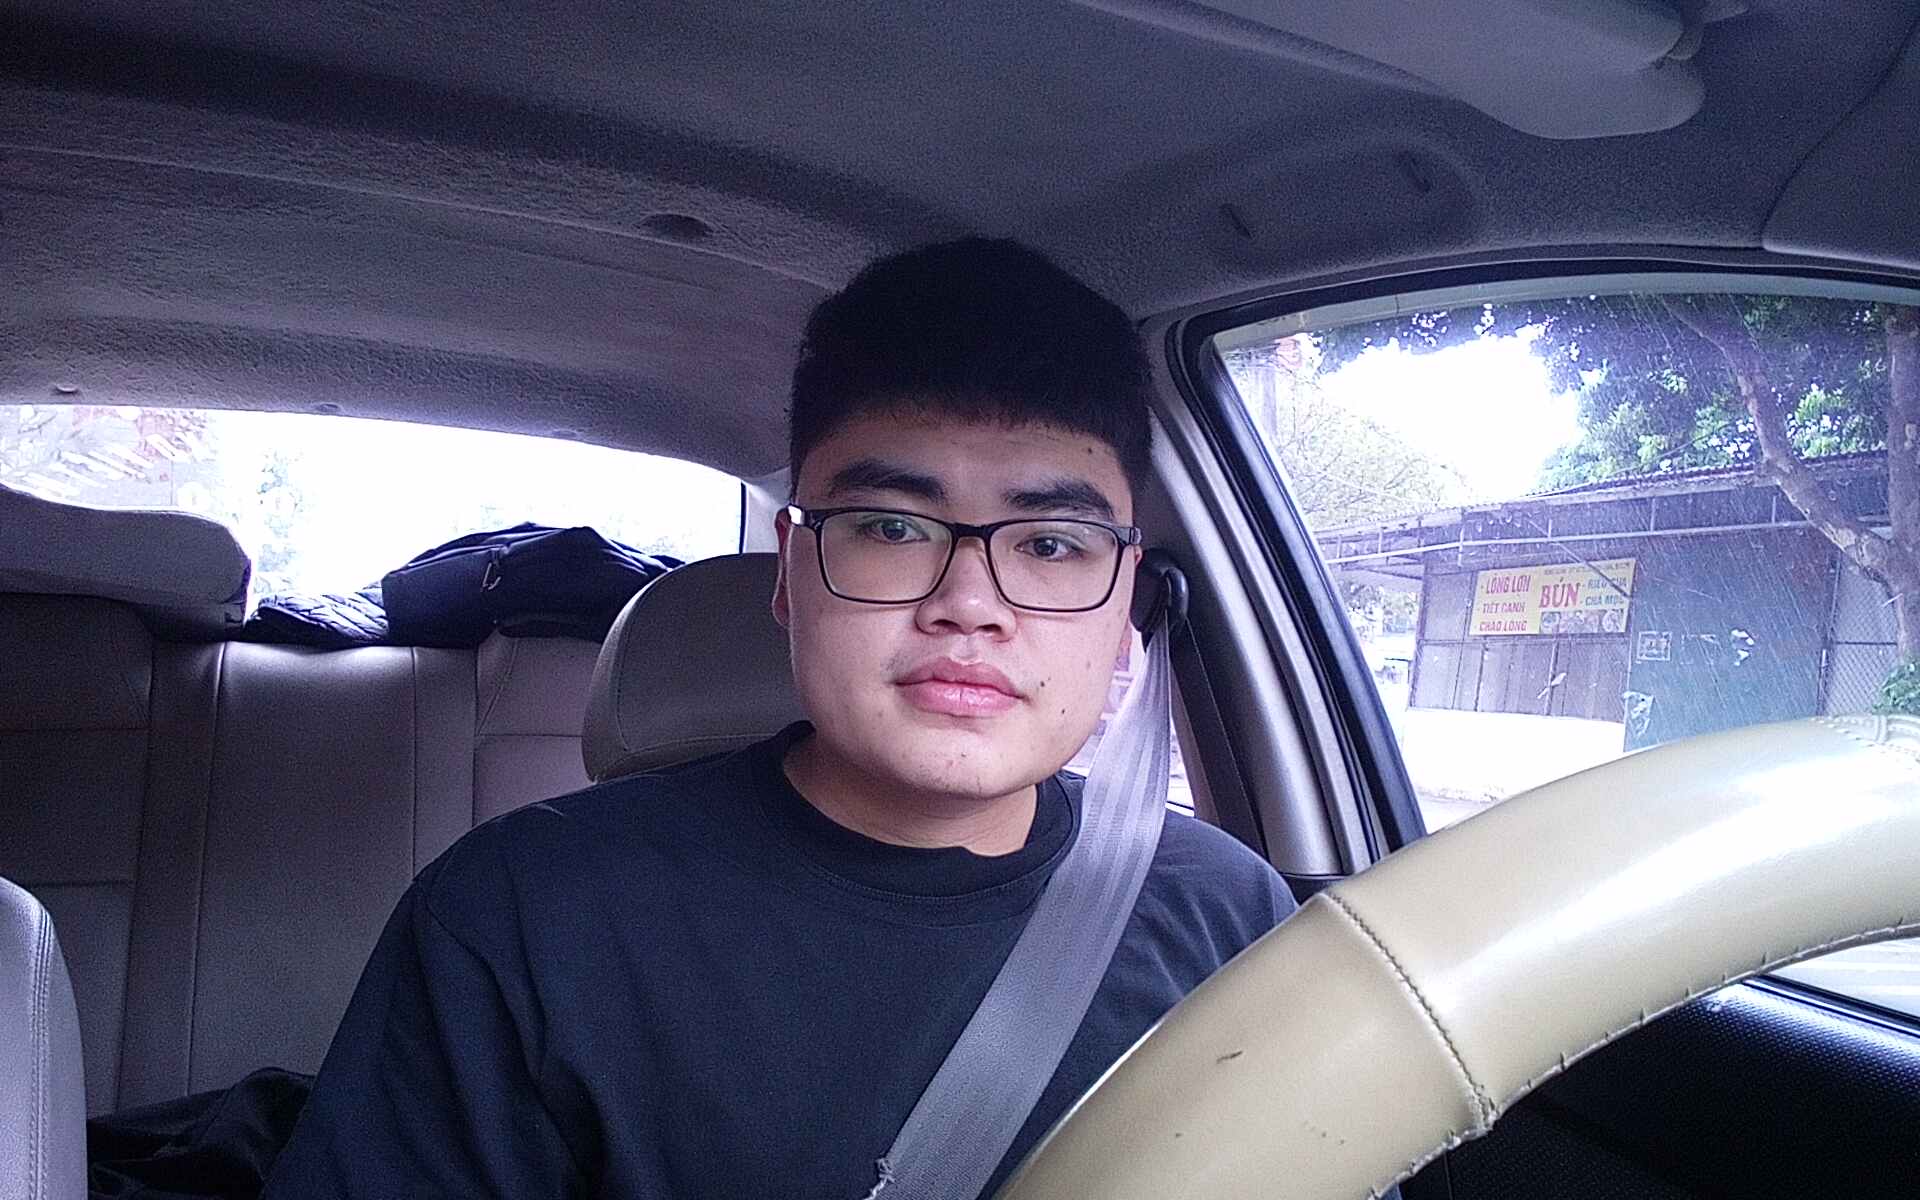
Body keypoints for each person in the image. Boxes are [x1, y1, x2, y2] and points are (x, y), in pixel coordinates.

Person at [262, 238, 1298, 1198]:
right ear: (788, 576)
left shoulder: (1228, 913)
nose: (970, 603)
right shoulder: (521, 918)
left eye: (1052, 544)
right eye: (892, 528)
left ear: (1124, 603)